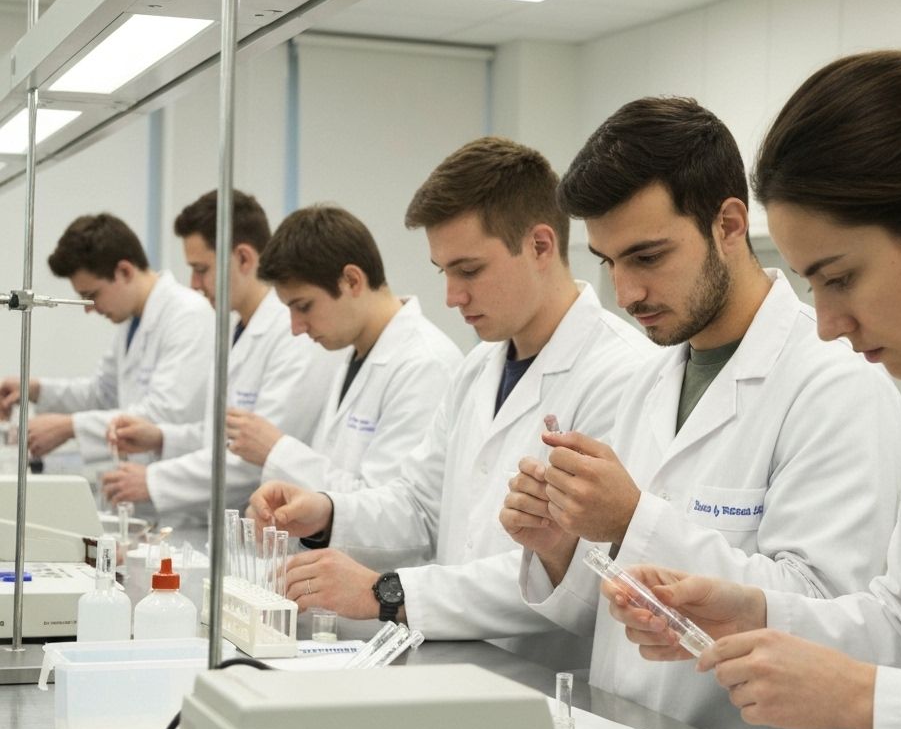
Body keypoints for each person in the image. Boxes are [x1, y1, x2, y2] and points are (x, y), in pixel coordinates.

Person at [602, 41, 901, 729]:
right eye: (809, 287)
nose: (826, 322)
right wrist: (753, 612)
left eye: (840, 277)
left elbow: (890, 676)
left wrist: (865, 700)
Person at [500, 97, 901, 729]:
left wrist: (635, 519)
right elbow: (605, 613)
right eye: (607, 262)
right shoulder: (649, 381)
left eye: (648, 256)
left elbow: (833, 618)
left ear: (728, 223)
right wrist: (558, 547)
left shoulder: (837, 387)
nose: (626, 292)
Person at [249, 136, 656, 668]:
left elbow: (576, 573)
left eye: (468, 270)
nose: (451, 296)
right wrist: (326, 512)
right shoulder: (478, 368)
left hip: (553, 684)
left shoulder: (623, 372)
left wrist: (385, 593)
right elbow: (421, 506)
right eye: (444, 271)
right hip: (460, 666)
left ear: (539, 246)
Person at [102, 190, 335, 530]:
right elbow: (221, 436)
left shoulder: (293, 337)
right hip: (229, 531)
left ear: (243, 258)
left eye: (201, 269)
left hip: (271, 535)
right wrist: (162, 437)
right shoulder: (233, 329)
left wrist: (153, 480)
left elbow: (257, 457)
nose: (194, 284)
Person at [227, 204, 462, 496]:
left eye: (304, 307)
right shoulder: (351, 356)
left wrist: (277, 451)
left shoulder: (425, 365)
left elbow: (394, 509)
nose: (296, 327)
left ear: (352, 280)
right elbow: (336, 479)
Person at [0, 213, 211, 464]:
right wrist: (35, 389)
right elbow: (101, 394)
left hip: (179, 493)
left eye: (92, 295)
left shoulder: (189, 315)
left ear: (124, 271)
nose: (89, 308)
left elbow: (164, 415)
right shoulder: (132, 321)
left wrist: (70, 427)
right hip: (139, 489)